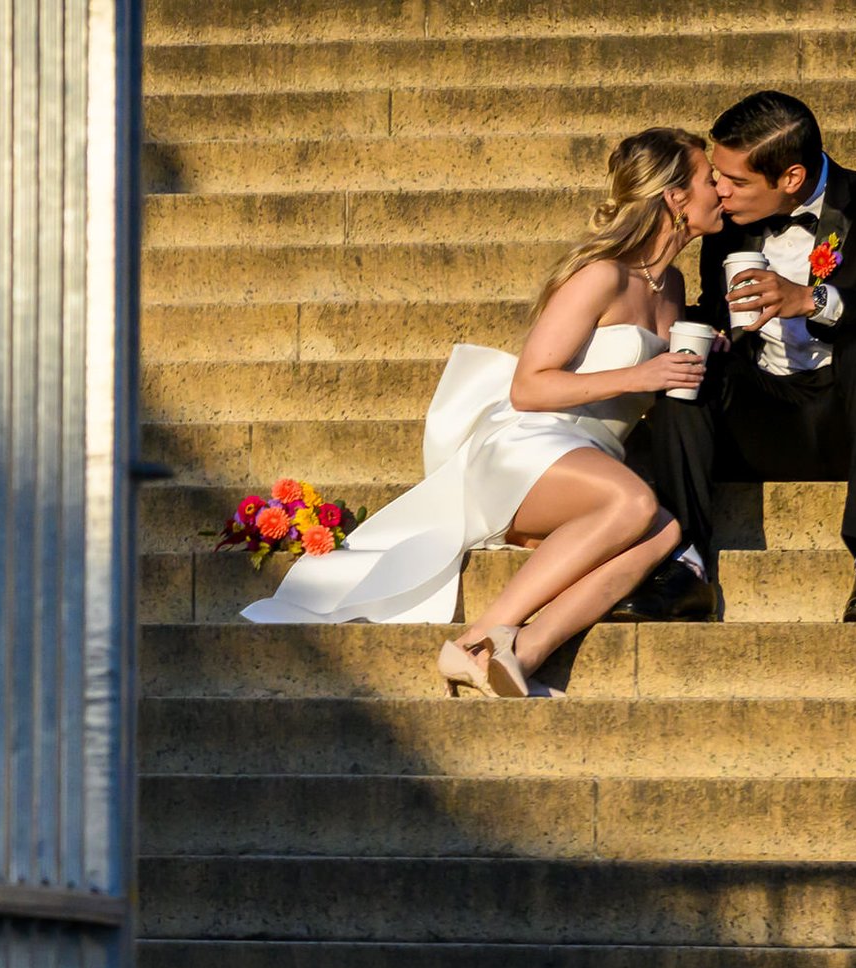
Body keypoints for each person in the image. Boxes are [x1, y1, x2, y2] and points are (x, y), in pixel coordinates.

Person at [241, 128, 725, 698]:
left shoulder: (672, 283)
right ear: (675, 197)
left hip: (591, 456)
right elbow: (529, 387)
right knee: (638, 503)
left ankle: (522, 653)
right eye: (708, 177)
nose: (719, 188)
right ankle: (475, 639)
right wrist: (641, 375)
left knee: (663, 532)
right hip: (530, 442)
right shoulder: (602, 274)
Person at [612, 90, 856, 624]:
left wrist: (812, 298)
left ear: (790, 178)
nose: (719, 191)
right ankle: (686, 565)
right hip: (765, 416)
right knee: (687, 362)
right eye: (718, 176)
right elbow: (719, 310)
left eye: (736, 181)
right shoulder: (730, 224)